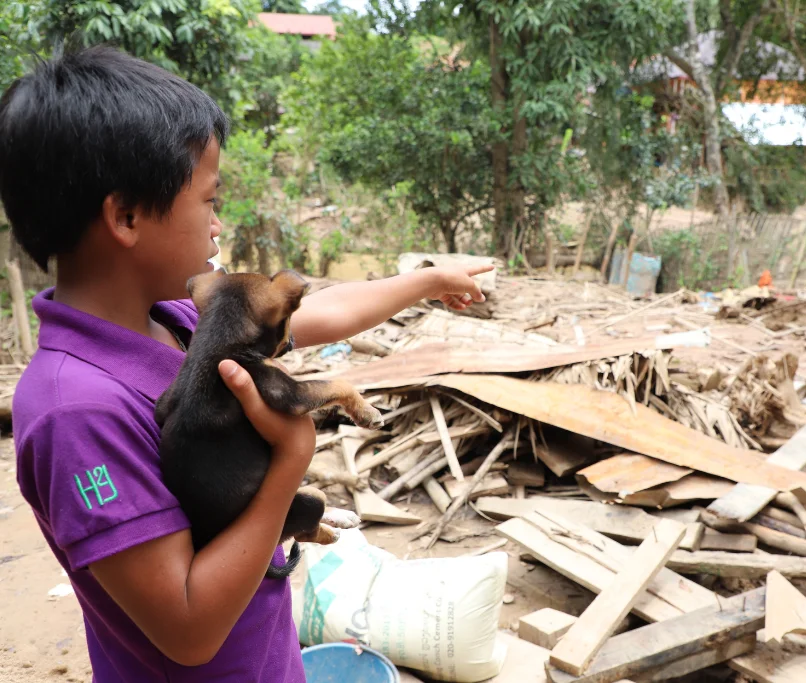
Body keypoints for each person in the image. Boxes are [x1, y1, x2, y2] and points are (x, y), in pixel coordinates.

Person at [0, 45, 492, 681]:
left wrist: (425, 280)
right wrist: (290, 461)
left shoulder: (176, 319)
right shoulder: (77, 410)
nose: (217, 225)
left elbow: (315, 311)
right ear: (124, 217)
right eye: (209, 200)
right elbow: (188, 627)